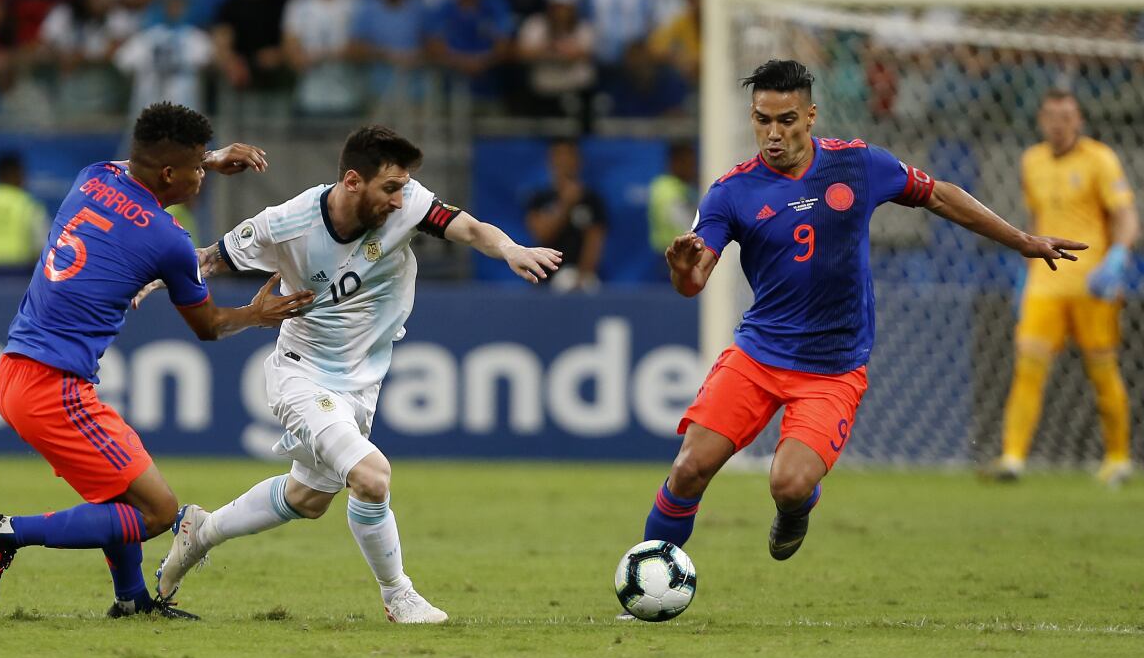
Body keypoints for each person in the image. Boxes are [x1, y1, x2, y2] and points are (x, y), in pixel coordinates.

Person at [625, 60, 1084, 611]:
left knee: (789, 484)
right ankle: (647, 590)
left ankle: (796, 511)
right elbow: (695, 281)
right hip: (757, 355)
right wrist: (682, 267)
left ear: (811, 115)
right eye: (762, 120)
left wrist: (1022, 240)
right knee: (689, 467)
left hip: (832, 367)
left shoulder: (859, 165)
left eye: (787, 120)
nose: (774, 133)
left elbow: (938, 194)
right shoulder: (731, 192)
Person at [146, 125, 562, 623]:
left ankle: (201, 530)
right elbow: (206, 259)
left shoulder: (408, 204)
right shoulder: (287, 223)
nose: (399, 200)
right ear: (351, 181)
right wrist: (142, 276)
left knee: (308, 497)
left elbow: (469, 228)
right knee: (370, 476)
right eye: (389, 188)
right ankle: (398, 596)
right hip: (302, 375)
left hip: (362, 384)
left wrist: (510, 248)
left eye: (404, 188)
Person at [0, 102, 315, 620]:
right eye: (197, 167)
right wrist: (258, 315)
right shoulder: (168, 239)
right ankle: (5, 533)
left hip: (18, 369)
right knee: (157, 511)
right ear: (170, 173)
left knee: (119, 497)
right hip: (52, 388)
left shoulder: (93, 176)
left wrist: (212, 157)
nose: (203, 175)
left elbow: (140, 168)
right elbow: (209, 326)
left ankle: (131, 600)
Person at [993, 89, 1137, 486]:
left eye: (1068, 116)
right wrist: (1024, 276)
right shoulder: (1031, 161)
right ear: (1042, 120)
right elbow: (1036, 220)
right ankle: (1012, 458)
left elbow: (1125, 215)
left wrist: (1119, 257)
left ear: (1080, 121)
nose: (1060, 123)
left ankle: (1118, 458)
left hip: (1093, 285)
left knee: (1103, 370)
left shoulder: (1100, 159)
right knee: (1028, 367)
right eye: (1053, 116)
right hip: (1045, 284)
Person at [525, 138, 606, 292]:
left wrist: (583, 275)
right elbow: (541, 234)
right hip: (545, 278)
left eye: (569, 156)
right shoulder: (539, 198)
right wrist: (565, 205)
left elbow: (595, 240)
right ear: (551, 160)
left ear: (578, 161)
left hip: (582, 278)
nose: (564, 162)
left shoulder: (591, 199)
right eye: (559, 156)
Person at [647, 141, 698, 256]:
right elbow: (686, 224)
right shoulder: (666, 189)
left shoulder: (684, 187)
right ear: (674, 162)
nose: (691, 168)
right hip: (671, 253)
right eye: (687, 163)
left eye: (693, 163)